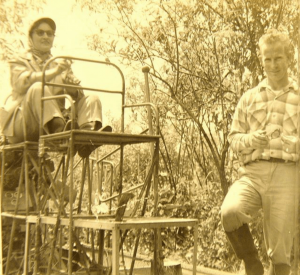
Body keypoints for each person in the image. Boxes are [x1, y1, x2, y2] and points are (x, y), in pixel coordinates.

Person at [221, 29, 299, 275]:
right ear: (261, 60)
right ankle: (252, 265)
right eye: (267, 58)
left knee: (281, 253)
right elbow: (233, 138)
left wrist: (296, 145)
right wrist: (250, 139)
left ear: (289, 57)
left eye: (278, 58)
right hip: (252, 174)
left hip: (288, 174)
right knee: (230, 212)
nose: (273, 64)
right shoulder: (249, 98)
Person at [0, 17, 111, 158]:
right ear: (30, 37)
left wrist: (72, 88)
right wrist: (55, 72)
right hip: (25, 124)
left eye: (49, 33)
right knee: (38, 87)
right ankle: (59, 133)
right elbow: (22, 84)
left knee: (92, 98)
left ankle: (86, 137)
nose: (45, 36)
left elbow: (78, 96)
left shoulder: (58, 63)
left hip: (56, 123)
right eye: (40, 32)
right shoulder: (19, 60)